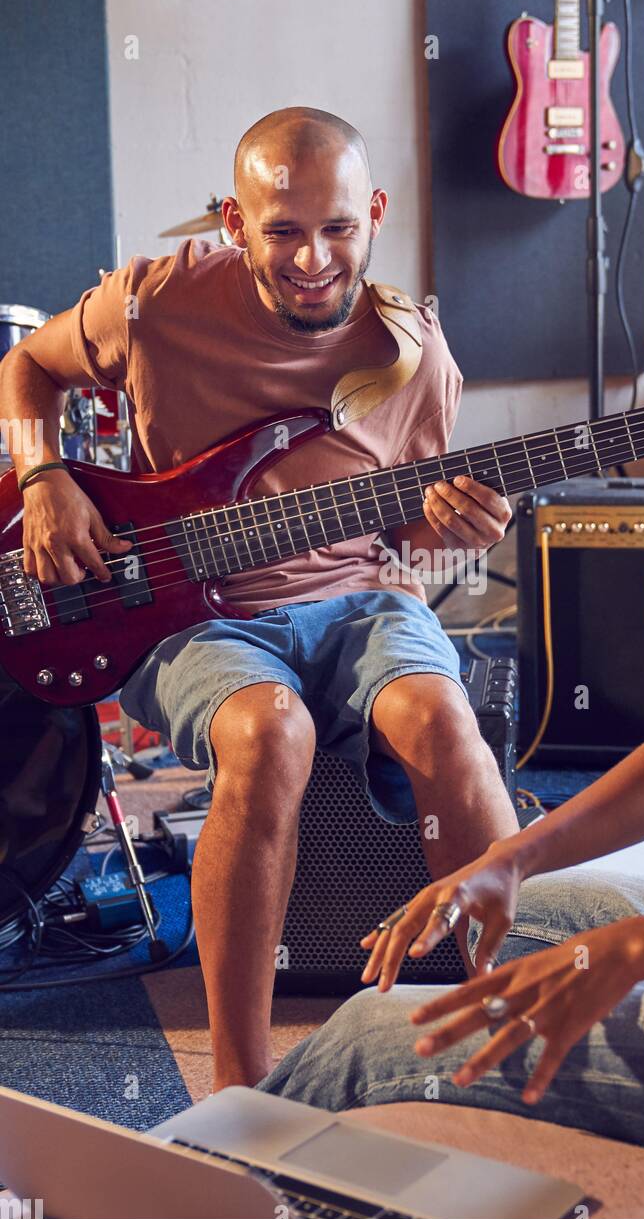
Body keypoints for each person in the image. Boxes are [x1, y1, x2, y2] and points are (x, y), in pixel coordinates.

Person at [259, 195, 644, 1185]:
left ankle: (195, 1205)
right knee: (509, 913)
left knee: (377, 1034)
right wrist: (507, 858)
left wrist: (631, 952)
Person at [0, 107, 516, 1092]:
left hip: (361, 601)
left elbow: (407, 533)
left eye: (338, 228)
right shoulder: (155, 298)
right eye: (281, 231)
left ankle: (515, 1030)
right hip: (193, 615)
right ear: (236, 223)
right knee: (271, 732)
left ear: (374, 213)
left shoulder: (415, 351)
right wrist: (40, 477)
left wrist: (454, 532)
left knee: (448, 722)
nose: (313, 257)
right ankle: (242, 1087)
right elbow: (24, 366)